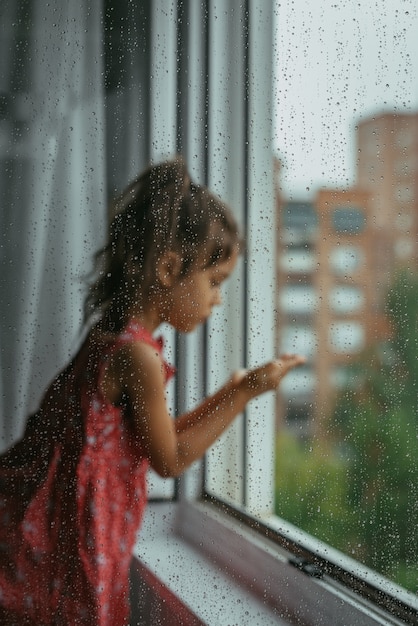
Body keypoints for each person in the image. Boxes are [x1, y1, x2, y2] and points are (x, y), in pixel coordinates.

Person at [0, 157, 305, 625]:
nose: (218, 299)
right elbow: (170, 457)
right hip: (72, 544)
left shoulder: (111, 335)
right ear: (167, 269)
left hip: (47, 533)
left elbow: (148, 437)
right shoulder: (136, 356)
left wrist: (233, 390)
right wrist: (244, 396)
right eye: (214, 282)